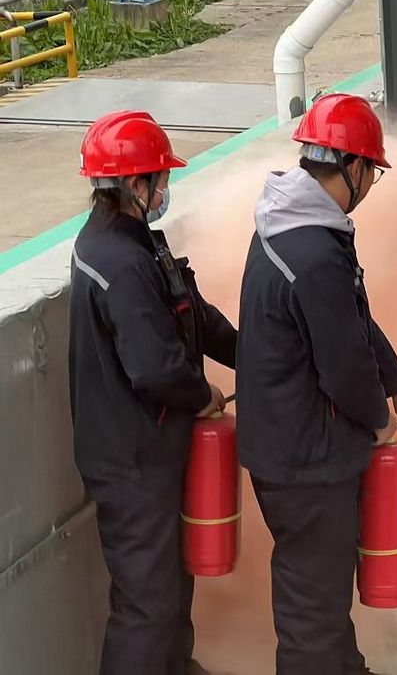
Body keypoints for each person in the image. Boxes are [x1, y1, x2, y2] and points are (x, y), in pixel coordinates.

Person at [236, 93, 397, 675]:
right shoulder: (314, 250)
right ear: (352, 166)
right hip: (306, 461)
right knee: (311, 609)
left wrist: (395, 380)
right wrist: (377, 419)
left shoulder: (290, 225)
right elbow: (343, 364)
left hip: (289, 444)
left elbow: (351, 316)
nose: (370, 184)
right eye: (371, 170)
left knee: (321, 587)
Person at [68, 110, 237, 675]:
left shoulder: (132, 244)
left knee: (168, 588)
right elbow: (153, 368)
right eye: (161, 180)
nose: (165, 190)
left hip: (148, 449)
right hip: (131, 461)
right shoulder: (119, 263)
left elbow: (193, 315)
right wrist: (202, 393)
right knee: (146, 604)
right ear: (135, 185)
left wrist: (256, 357)